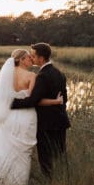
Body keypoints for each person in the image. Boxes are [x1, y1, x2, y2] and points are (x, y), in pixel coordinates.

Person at [0, 48, 62, 185]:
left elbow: (3, 96)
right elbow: (33, 101)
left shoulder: (7, 76)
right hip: (26, 116)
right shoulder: (31, 76)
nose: (31, 60)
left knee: (11, 151)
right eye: (28, 58)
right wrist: (56, 101)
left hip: (10, 117)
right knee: (23, 153)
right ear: (21, 60)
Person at [10, 42, 70, 176]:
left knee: (46, 157)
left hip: (46, 123)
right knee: (60, 155)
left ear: (41, 59)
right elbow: (64, 99)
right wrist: (56, 103)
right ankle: (63, 181)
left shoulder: (42, 76)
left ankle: (50, 184)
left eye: (33, 55)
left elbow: (32, 101)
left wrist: (10, 104)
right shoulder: (59, 73)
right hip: (61, 121)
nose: (31, 57)